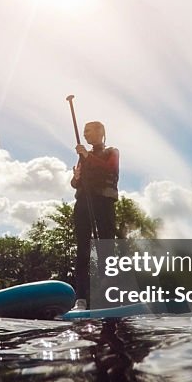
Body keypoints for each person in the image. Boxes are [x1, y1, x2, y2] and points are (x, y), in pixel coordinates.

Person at [71, 120, 119, 310]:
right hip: (83, 204)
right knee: (82, 251)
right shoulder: (85, 156)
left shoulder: (112, 151)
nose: (85, 135)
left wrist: (86, 156)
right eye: (84, 132)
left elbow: (110, 169)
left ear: (100, 132)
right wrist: (75, 178)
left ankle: (109, 296)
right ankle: (80, 299)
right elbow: (75, 183)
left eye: (88, 131)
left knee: (105, 249)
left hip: (103, 203)